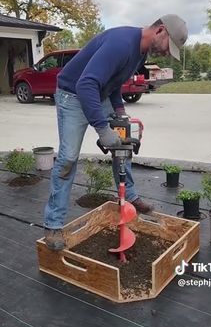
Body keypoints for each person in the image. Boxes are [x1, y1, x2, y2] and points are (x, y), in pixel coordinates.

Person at [44, 13, 188, 250]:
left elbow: (111, 83)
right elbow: (86, 84)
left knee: (124, 140)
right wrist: (102, 128)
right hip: (72, 95)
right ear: (160, 30)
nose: (166, 53)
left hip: (97, 94)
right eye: (167, 46)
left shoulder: (140, 52)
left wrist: (120, 112)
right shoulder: (121, 43)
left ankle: (129, 195)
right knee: (68, 158)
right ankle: (53, 225)